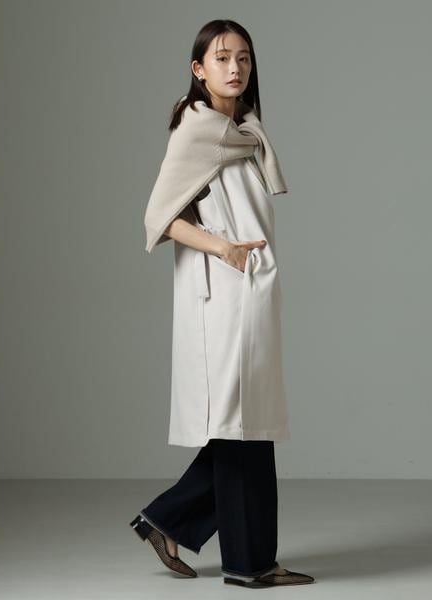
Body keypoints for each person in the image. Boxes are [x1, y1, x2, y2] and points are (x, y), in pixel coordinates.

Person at [129, 19, 315, 588]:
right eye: (221, 57)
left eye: (244, 58)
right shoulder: (198, 129)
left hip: (251, 289)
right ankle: (247, 561)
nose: (235, 68)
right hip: (223, 294)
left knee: (250, 424)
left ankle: (181, 527)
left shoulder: (242, 130)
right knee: (240, 427)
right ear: (198, 68)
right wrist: (224, 249)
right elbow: (158, 217)